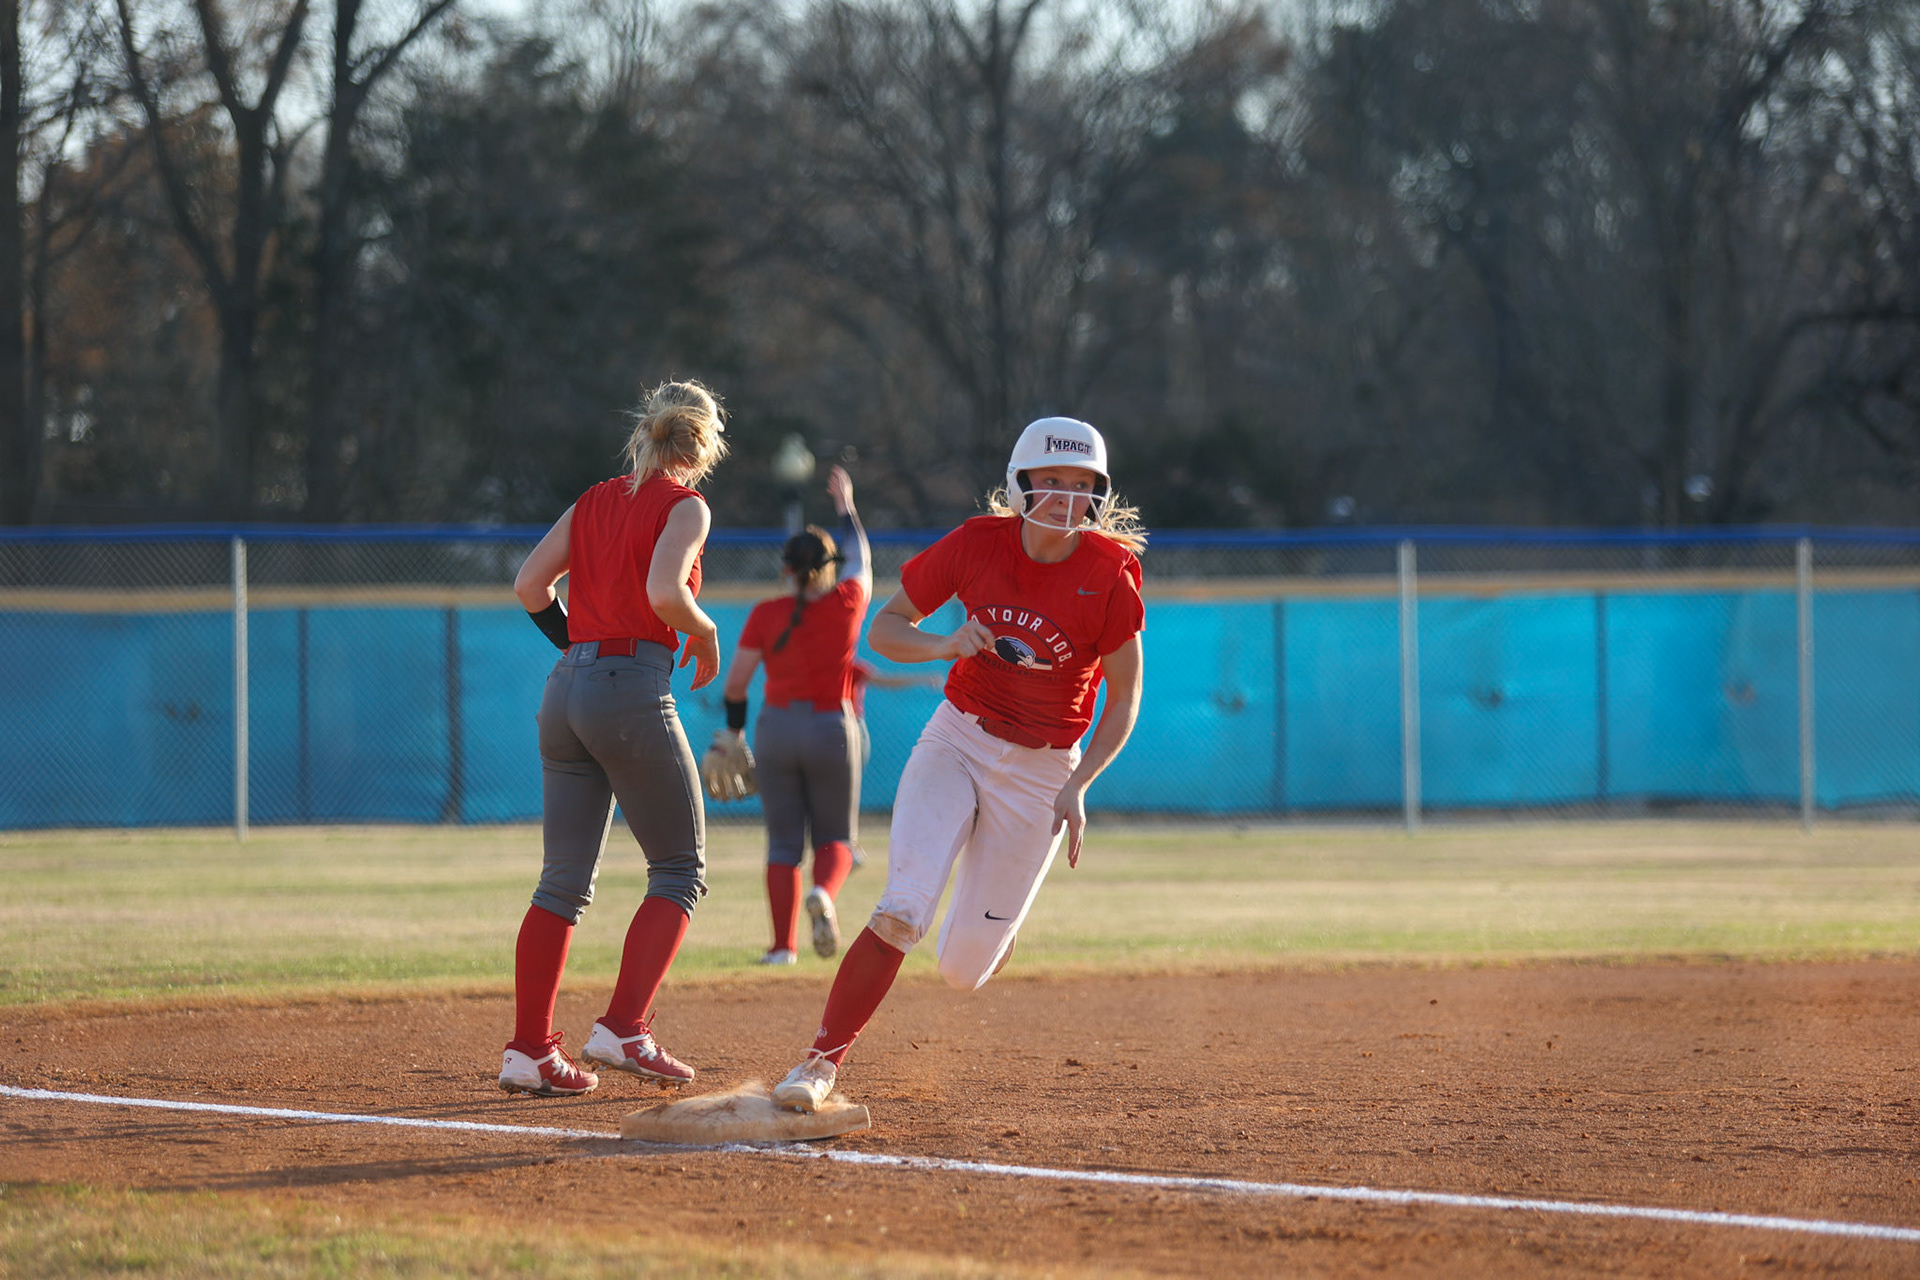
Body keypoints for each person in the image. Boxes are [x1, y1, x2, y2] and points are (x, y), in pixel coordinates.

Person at [770, 416, 1147, 1112]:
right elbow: (885, 629)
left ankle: (989, 926)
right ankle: (818, 1065)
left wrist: (1080, 784)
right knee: (902, 908)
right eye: (1053, 481)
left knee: (960, 971)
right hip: (960, 738)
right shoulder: (979, 544)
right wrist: (948, 644)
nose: (1067, 498)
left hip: (1045, 769)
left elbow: (1125, 697)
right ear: (1020, 483)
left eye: (1081, 485)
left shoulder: (1110, 573)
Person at [498, 378, 728, 1097]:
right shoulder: (687, 505)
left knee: (561, 882)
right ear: (704, 444)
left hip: (566, 687)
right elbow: (666, 595)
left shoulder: (595, 498)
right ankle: (625, 1028)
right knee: (680, 869)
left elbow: (530, 585)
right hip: (628, 688)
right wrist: (707, 628)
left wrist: (583, 648)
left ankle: (530, 1052)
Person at [710, 465, 872, 966]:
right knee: (836, 838)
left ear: (786, 569)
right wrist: (845, 506)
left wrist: (734, 732)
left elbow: (735, 684)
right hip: (830, 727)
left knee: (783, 844)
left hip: (776, 728)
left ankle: (783, 947)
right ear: (829, 567)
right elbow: (862, 557)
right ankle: (824, 892)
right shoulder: (847, 602)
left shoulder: (765, 614)